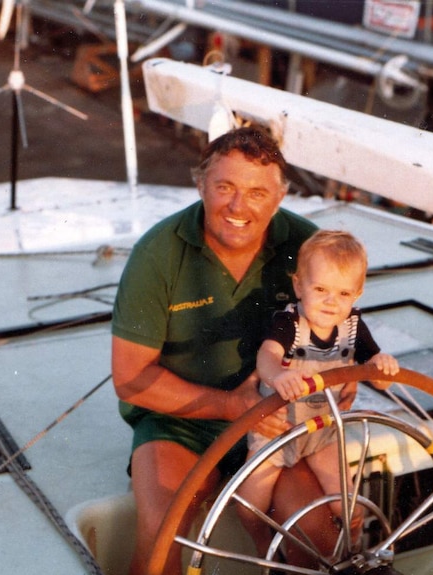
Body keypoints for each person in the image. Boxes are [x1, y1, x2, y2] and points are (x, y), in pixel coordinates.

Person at [111, 125, 318, 575]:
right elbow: (130, 378)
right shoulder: (157, 253)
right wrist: (228, 405)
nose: (238, 207)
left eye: (257, 193)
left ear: (280, 196)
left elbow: (336, 333)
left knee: (318, 531)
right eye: (224, 187)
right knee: (162, 525)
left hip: (273, 422)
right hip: (180, 423)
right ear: (200, 184)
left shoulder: (308, 247)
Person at [236, 230, 400, 555]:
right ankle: (261, 542)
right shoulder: (289, 325)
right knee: (250, 502)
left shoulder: (353, 327)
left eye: (342, 293)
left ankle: (352, 552)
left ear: (357, 293)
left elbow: (379, 380)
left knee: (349, 506)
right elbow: (266, 357)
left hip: (323, 432)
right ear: (298, 286)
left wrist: (381, 364)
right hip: (277, 432)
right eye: (320, 289)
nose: (330, 301)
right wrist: (279, 375)